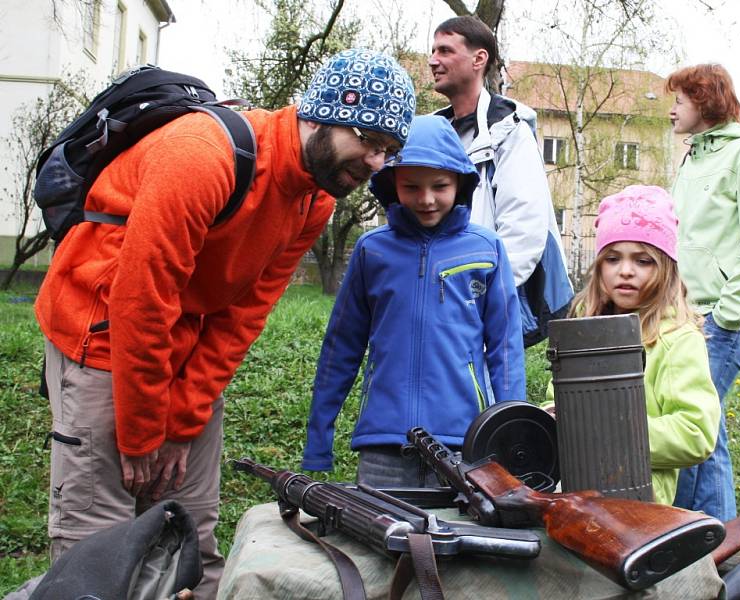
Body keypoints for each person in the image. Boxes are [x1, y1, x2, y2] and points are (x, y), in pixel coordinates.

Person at [33, 48, 416, 599]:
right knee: (96, 544)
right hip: (102, 337)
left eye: (389, 151)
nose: (379, 162)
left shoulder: (314, 199)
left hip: (185, 345)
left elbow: (243, 315)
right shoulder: (203, 153)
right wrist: (143, 432)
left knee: (191, 533)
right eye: (372, 141)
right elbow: (142, 298)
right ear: (326, 114)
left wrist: (182, 421)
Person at [301, 115, 526, 486]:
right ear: (392, 185)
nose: (426, 199)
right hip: (383, 446)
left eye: (439, 185)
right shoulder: (372, 251)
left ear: (460, 182)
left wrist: (511, 435)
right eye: (411, 186)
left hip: (463, 446)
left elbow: (505, 349)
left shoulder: (487, 250)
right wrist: (318, 440)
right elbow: (341, 348)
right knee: (378, 541)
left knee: (460, 542)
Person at [667, 64, 740, 521]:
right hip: (685, 313)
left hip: (720, 316)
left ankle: (683, 534)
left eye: (680, 99)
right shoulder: (692, 159)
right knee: (706, 427)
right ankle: (716, 539)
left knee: (692, 424)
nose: (672, 109)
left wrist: (727, 316)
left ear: (705, 100)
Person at [556, 185, 720, 505]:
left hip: (638, 505)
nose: (626, 271)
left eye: (643, 260)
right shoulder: (582, 331)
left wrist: (609, 433)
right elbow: (558, 398)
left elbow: (695, 433)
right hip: (573, 494)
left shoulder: (676, 339)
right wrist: (553, 416)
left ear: (666, 269)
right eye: (613, 258)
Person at [429, 16, 572, 348]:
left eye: (445, 50)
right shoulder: (435, 133)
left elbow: (523, 230)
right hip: (439, 301)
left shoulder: (509, 131)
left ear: (479, 59)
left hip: (481, 308)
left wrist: (479, 298)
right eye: (433, 50)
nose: (433, 60)